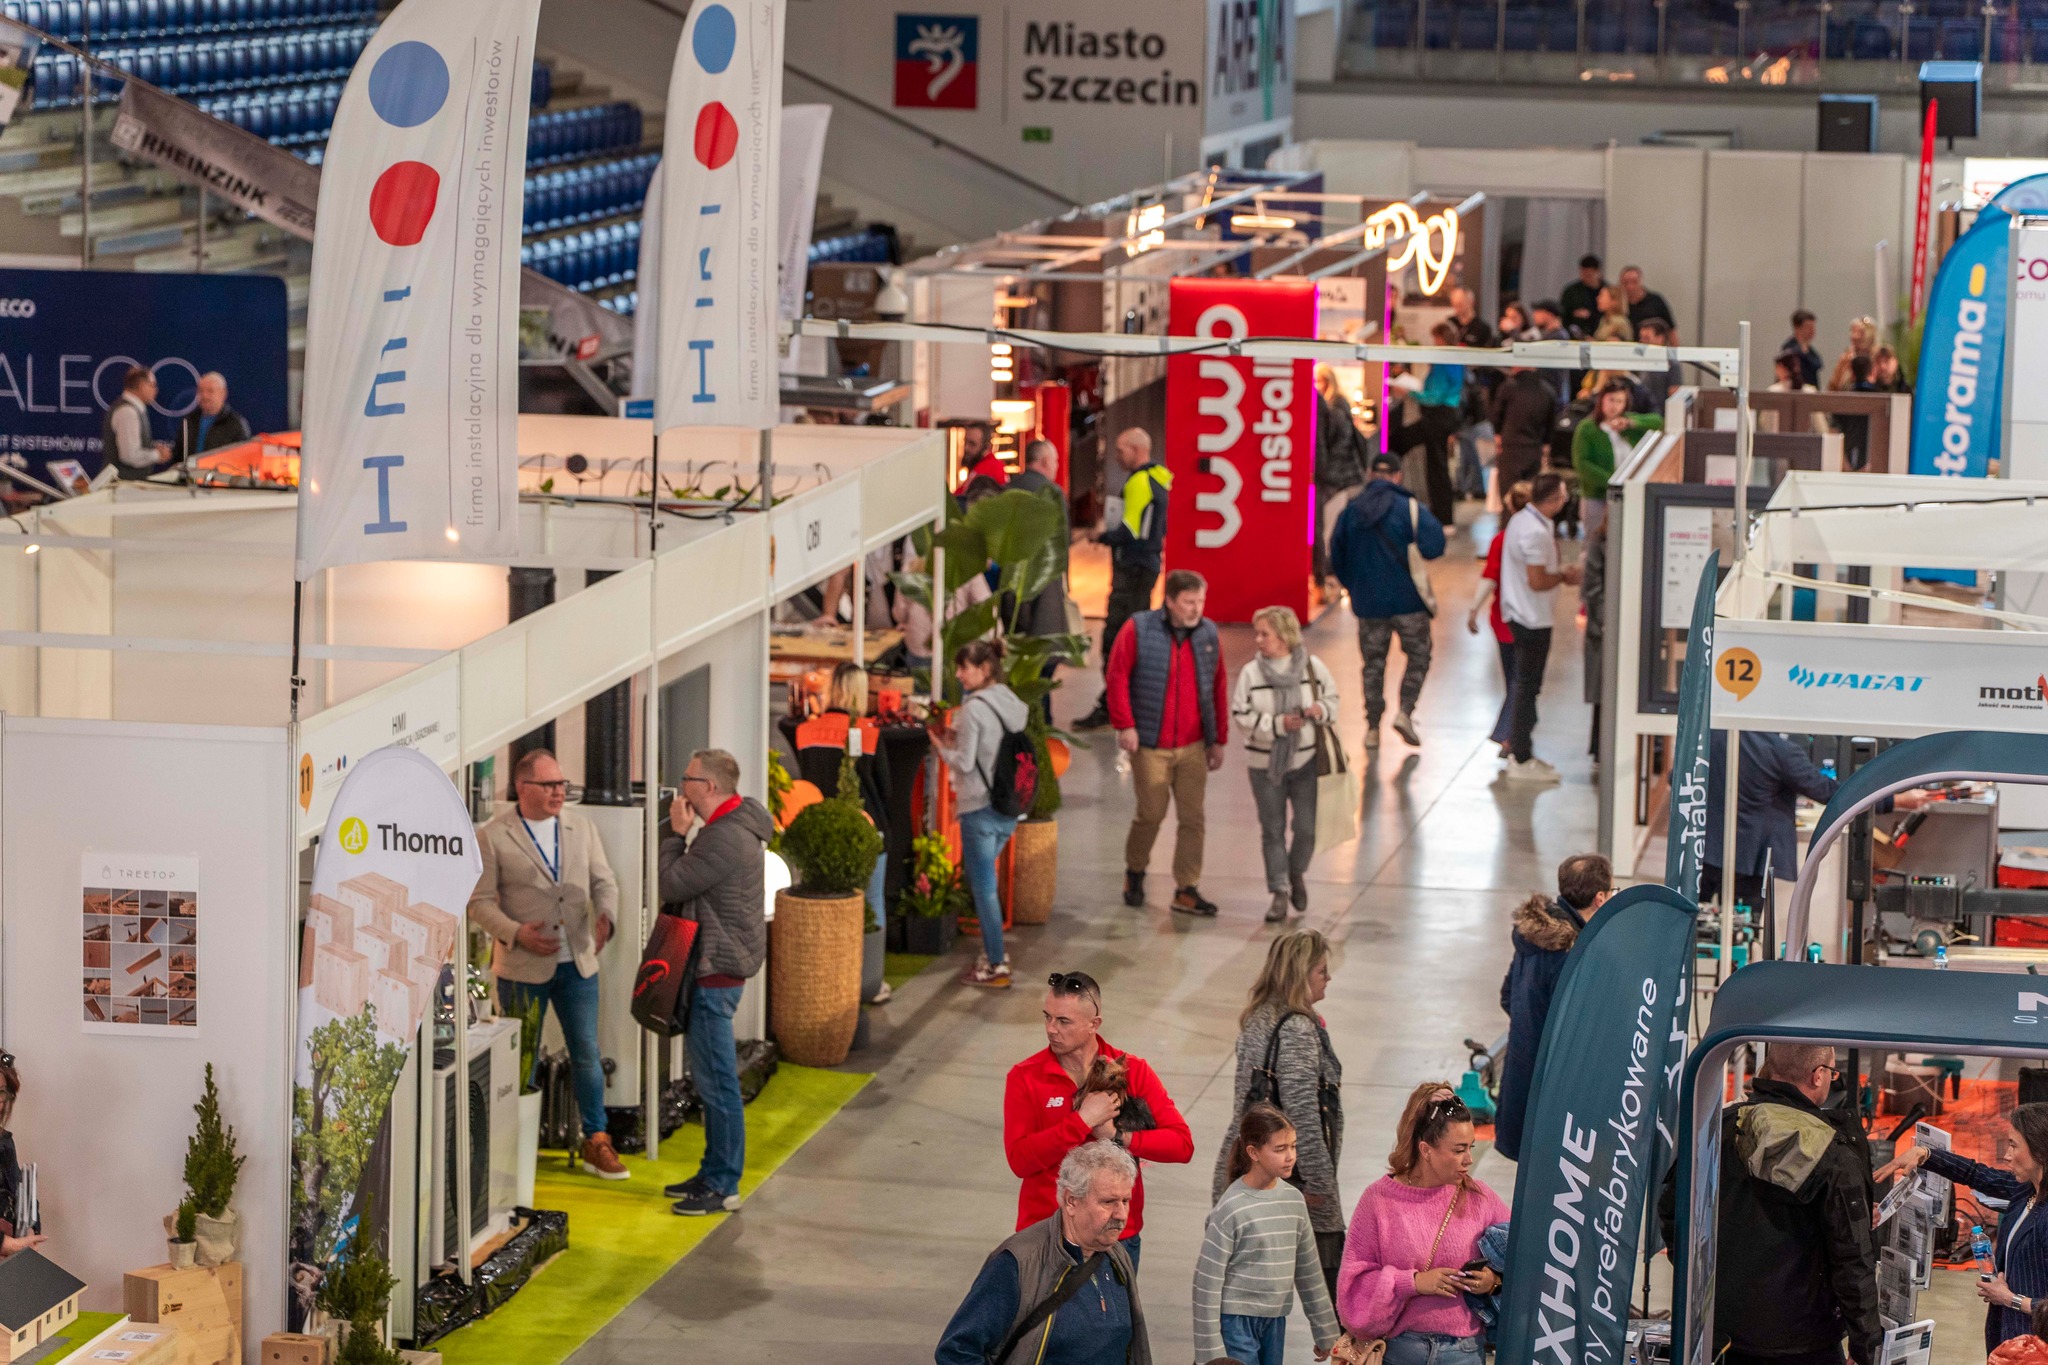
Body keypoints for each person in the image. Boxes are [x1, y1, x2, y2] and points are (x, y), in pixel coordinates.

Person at [1658, 1043, 1881, 1365]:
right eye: (1833, 1073)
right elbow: (1853, 1261)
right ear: (1818, 1075)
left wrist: (1710, 1289)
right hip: (1804, 1343)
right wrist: (1866, 1348)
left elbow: (1673, 1213)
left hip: (1720, 1336)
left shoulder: (1718, 1127)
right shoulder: (1833, 1152)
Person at [469, 749, 624, 1180]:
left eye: (561, 784)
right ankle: (513, 1149)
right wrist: (517, 933)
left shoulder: (581, 827)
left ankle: (597, 1140)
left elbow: (604, 881)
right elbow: (478, 903)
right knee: (522, 1060)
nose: (559, 792)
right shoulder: (493, 836)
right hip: (521, 968)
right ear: (523, 788)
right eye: (549, 785)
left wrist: (607, 915)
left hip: (577, 963)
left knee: (587, 1052)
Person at [1003, 971, 1193, 1267]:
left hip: (1115, 1238)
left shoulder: (1133, 1071)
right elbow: (1020, 1160)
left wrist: (1118, 1137)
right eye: (1047, 1017)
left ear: (1094, 1024)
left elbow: (1182, 1145)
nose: (1051, 1029)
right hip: (1046, 1235)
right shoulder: (1025, 1077)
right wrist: (1081, 1122)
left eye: (1063, 1021)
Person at [657, 748, 774, 1214]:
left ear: (708, 787)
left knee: (718, 1084)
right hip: (718, 969)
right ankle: (711, 1171)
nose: (681, 787)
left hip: (714, 974)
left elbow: (671, 883)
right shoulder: (733, 828)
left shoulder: (723, 837)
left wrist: (674, 835)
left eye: (687, 779)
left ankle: (723, 1184)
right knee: (711, 1081)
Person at [1212, 931, 1346, 1296]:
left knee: (1246, 1298)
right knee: (1336, 1298)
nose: (1328, 978)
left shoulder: (1257, 1018)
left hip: (1244, 1168)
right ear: (1300, 975)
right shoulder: (1298, 1029)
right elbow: (1303, 1117)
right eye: (1321, 970)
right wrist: (1321, 1189)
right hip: (1290, 1179)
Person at [938, 1140, 1152, 1365]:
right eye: (1108, 1202)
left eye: (1125, 1201)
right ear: (1071, 1201)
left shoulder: (1116, 1256)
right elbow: (956, 1351)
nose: (1121, 1214)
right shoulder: (1019, 1263)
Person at [1337, 1088, 1507, 1365]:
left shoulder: (1481, 1198)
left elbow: (1523, 1260)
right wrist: (1413, 1283)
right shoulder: (1378, 1200)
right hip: (1397, 1353)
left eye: (1471, 1148)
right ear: (1426, 1150)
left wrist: (1493, 1281)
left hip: (1464, 1353)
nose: (1469, 1159)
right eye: (1459, 1150)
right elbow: (1352, 1287)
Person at [1106, 569, 1230, 916]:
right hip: (1150, 744)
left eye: (1200, 601)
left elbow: (1218, 685)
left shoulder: (1208, 633)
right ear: (1171, 601)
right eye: (1189, 602)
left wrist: (1218, 739)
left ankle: (1186, 888)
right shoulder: (1138, 629)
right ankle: (1135, 871)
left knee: (1193, 818)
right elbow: (1117, 676)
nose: (1196, 609)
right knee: (1150, 814)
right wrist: (1126, 725)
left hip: (1193, 745)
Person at [1879, 1105, 2048, 1353]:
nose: (2007, 1155)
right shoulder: (2027, 1190)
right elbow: (1976, 1173)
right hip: (2011, 1338)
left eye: (2013, 1145)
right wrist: (1926, 1155)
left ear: (2040, 1151)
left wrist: (2010, 1299)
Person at [1194, 1105, 1343, 1365]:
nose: (1290, 1156)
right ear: (1253, 1152)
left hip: (1275, 1321)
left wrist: (1327, 1332)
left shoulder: (1294, 1201)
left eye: (1293, 1146)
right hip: (1235, 1323)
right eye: (1280, 1149)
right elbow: (1206, 1283)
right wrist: (1210, 1353)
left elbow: (1309, 1271)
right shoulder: (1231, 1208)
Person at [1492, 854, 1615, 1162]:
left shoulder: (1535, 936)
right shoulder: (1570, 953)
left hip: (1521, 1076)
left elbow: (1508, 996)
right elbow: (1578, 1028)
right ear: (1600, 898)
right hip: (1554, 1093)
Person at [931, 638, 1032, 988]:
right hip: (1008, 807)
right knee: (985, 881)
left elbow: (965, 762)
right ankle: (994, 956)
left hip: (979, 807)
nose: (959, 675)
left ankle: (995, 962)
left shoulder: (974, 708)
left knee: (984, 888)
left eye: (964, 668)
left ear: (984, 669)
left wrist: (940, 747)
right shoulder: (1010, 701)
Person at [1330, 454, 1445, 754]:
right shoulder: (1410, 508)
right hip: (1409, 602)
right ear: (1398, 475)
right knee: (1419, 656)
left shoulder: (1351, 511)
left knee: (1373, 665)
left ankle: (1372, 727)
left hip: (1369, 604)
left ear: (1370, 474)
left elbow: (1337, 557)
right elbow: (1435, 547)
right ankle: (1405, 711)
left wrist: (1355, 587)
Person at [1232, 607, 1340, 922]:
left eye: (1264, 633)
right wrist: (1278, 725)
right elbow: (1241, 715)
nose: (1258, 640)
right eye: (1257, 633)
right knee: (1273, 829)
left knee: (1307, 829)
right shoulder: (1251, 673)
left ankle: (1296, 872)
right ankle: (1279, 892)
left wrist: (1320, 709)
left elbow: (1333, 699)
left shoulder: (1312, 667)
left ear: (1284, 635)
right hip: (1264, 766)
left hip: (1306, 762)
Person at [794, 663, 891, 1002]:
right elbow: (885, 788)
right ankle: (871, 981)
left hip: (823, 832)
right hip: (867, 827)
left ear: (832, 688)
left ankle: (829, 976)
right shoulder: (870, 732)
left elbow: (808, 778)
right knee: (872, 901)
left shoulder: (806, 732)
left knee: (827, 903)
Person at [1077, 428, 1172, 731]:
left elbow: (1130, 531)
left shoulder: (1139, 482)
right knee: (1136, 634)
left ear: (1136, 449)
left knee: (1116, 638)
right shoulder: (1161, 478)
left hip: (1131, 570)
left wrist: (1100, 536)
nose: (1117, 457)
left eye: (1120, 450)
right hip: (1147, 567)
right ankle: (1127, 701)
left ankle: (1114, 705)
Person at [1499, 473, 1581, 783]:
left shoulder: (1522, 520)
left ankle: (1522, 751)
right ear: (1555, 500)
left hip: (1522, 613)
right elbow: (1536, 580)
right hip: (1531, 618)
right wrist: (1564, 576)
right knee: (1527, 688)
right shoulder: (1534, 532)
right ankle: (1521, 756)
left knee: (1525, 687)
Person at [1701, 730, 1837, 910]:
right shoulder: (1779, 750)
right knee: (1745, 921)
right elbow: (1824, 790)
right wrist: (1869, 791)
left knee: (1694, 918)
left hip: (1706, 850)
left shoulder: (1709, 738)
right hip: (1751, 856)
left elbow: (1677, 779)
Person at [1468, 480, 1533, 756]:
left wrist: (1474, 609)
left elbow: (1489, 577)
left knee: (1513, 679)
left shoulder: (1501, 540)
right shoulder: (1537, 537)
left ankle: (1512, 732)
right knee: (1521, 681)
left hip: (1501, 620)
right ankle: (1509, 734)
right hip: (1527, 619)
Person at [1387, 322, 1464, 526]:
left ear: (1441, 338)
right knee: (1437, 465)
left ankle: (1441, 516)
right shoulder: (1456, 358)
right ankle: (1443, 516)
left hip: (1438, 417)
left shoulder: (1444, 360)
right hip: (1445, 416)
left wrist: (1410, 392)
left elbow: (1433, 396)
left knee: (1399, 444)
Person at [1572, 377, 1662, 543]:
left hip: (1629, 495)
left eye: (1620, 401)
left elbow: (1659, 422)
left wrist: (1631, 423)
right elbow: (1582, 464)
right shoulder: (1587, 428)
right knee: (1594, 542)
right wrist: (1613, 483)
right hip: (1597, 497)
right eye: (1611, 400)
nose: (1614, 406)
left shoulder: (1629, 424)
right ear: (1602, 400)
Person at [1313, 364, 1369, 592]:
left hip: (1336, 480)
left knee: (1327, 529)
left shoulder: (1332, 409)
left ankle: (1330, 572)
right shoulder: (1338, 406)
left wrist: (1324, 474)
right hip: (1344, 478)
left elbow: (1332, 446)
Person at [0, 1058, 46, 1258]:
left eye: (1, 1092)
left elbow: (20, 1193)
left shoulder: (4, 1142)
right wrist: (4, 1244)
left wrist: (30, 1230)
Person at [1487, 364, 1558, 492]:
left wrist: (1497, 437)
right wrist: (1546, 447)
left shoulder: (1507, 387)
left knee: (1510, 493)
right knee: (1531, 492)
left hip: (1511, 448)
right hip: (1534, 448)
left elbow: (1496, 417)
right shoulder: (1548, 390)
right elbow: (1551, 424)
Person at [102, 365, 171, 481]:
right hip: (122, 486)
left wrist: (151, 449)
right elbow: (130, 456)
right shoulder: (127, 412)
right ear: (142, 385)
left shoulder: (134, 409)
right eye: (153, 385)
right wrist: (158, 455)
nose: (156, 390)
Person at [1635, 318, 1684, 407]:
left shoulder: (1671, 364)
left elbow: (1674, 394)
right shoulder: (1639, 360)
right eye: (1641, 338)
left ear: (1660, 338)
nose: (1642, 342)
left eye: (1646, 338)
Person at [1560, 254, 1605, 339]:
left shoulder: (1606, 290)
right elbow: (1563, 314)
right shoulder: (1571, 291)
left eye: (1589, 275)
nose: (1586, 278)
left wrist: (1591, 315)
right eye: (1583, 274)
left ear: (1598, 272)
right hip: (1575, 333)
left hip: (1598, 332)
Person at [1828, 316, 1878, 392]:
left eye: (1861, 332)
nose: (1855, 336)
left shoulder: (1878, 357)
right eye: (1853, 332)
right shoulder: (1845, 358)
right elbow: (1833, 386)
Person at [1619, 264, 1674, 332]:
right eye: (1626, 283)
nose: (1630, 287)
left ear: (1640, 281)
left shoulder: (1655, 301)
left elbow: (1671, 329)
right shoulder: (1618, 305)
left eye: (1634, 282)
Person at [957, 421, 1007, 489]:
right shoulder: (979, 465)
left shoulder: (991, 468)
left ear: (986, 447)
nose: (966, 448)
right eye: (965, 442)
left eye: (972, 444)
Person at [1784, 309, 1824, 390]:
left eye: (1813, 327)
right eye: (1808, 327)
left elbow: (1818, 364)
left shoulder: (1810, 350)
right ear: (1797, 328)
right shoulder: (1789, 349)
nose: (1812, 331)